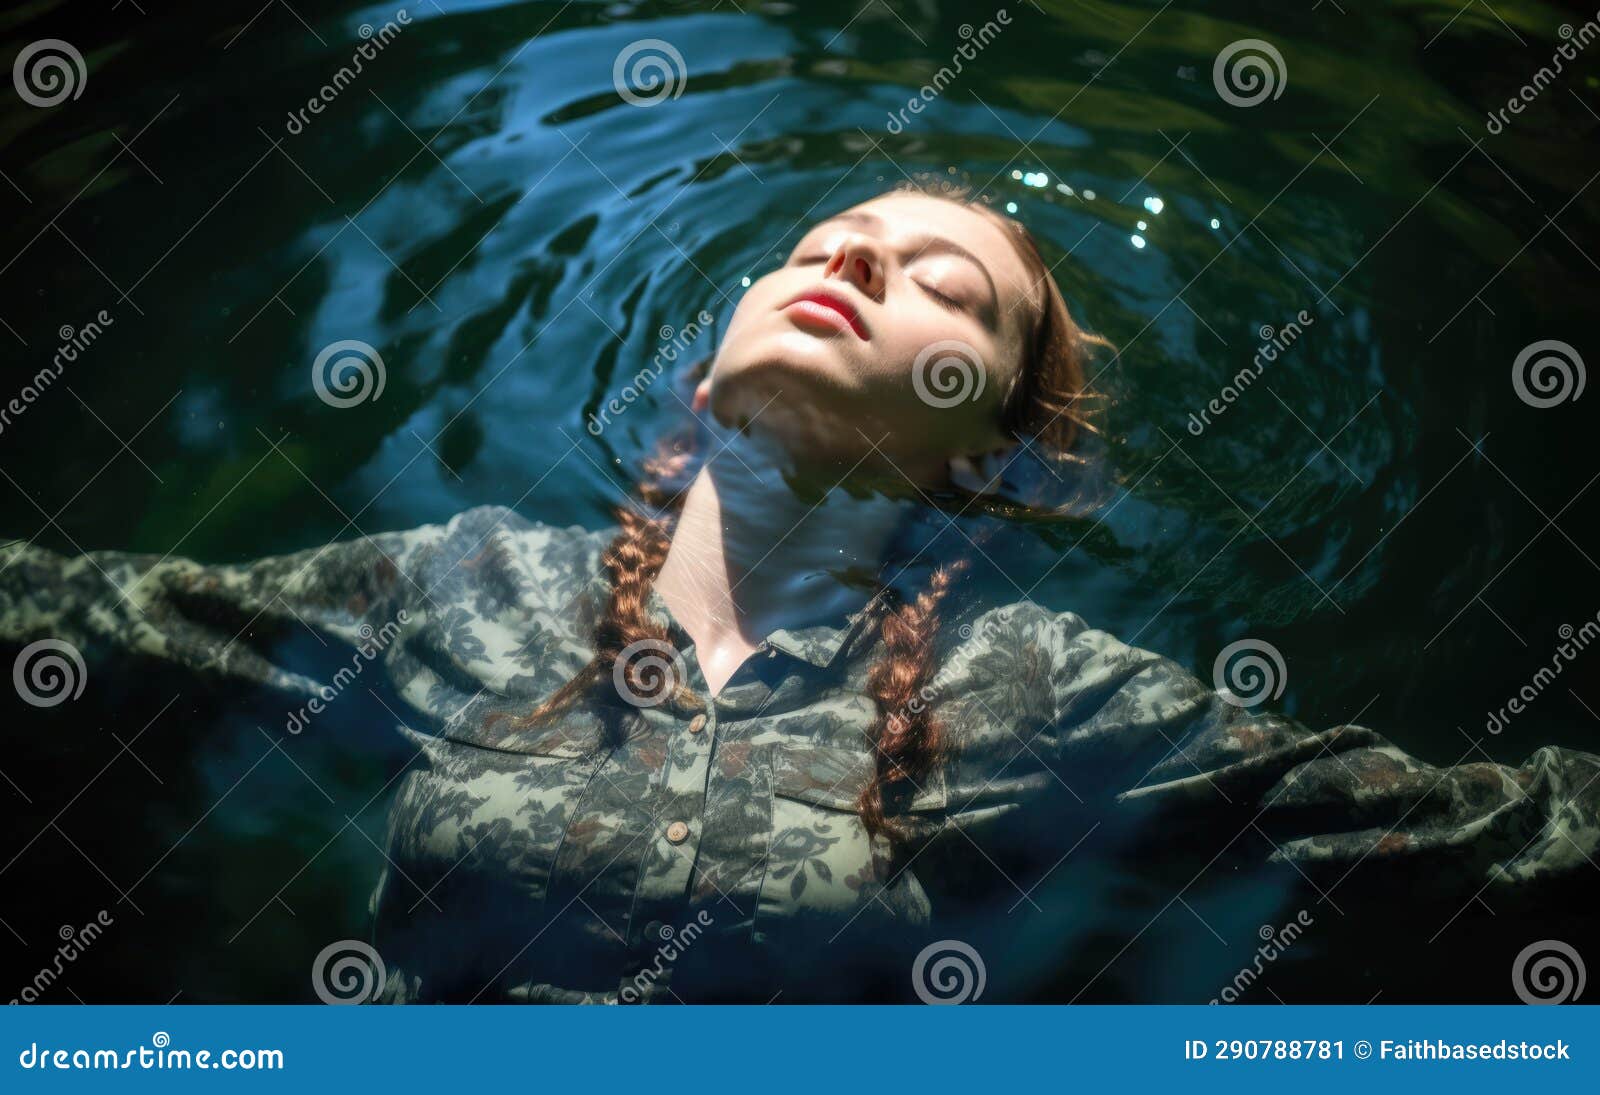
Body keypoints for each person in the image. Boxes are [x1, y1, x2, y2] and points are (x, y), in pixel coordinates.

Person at [3, 187, 1596, 1004]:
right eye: (829, 243)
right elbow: (64, 623)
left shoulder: (1050, 695)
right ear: (710, 365)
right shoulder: (470, 585)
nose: (855, 263)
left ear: (992, 439)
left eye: (942, 286)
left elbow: (1500, 845)